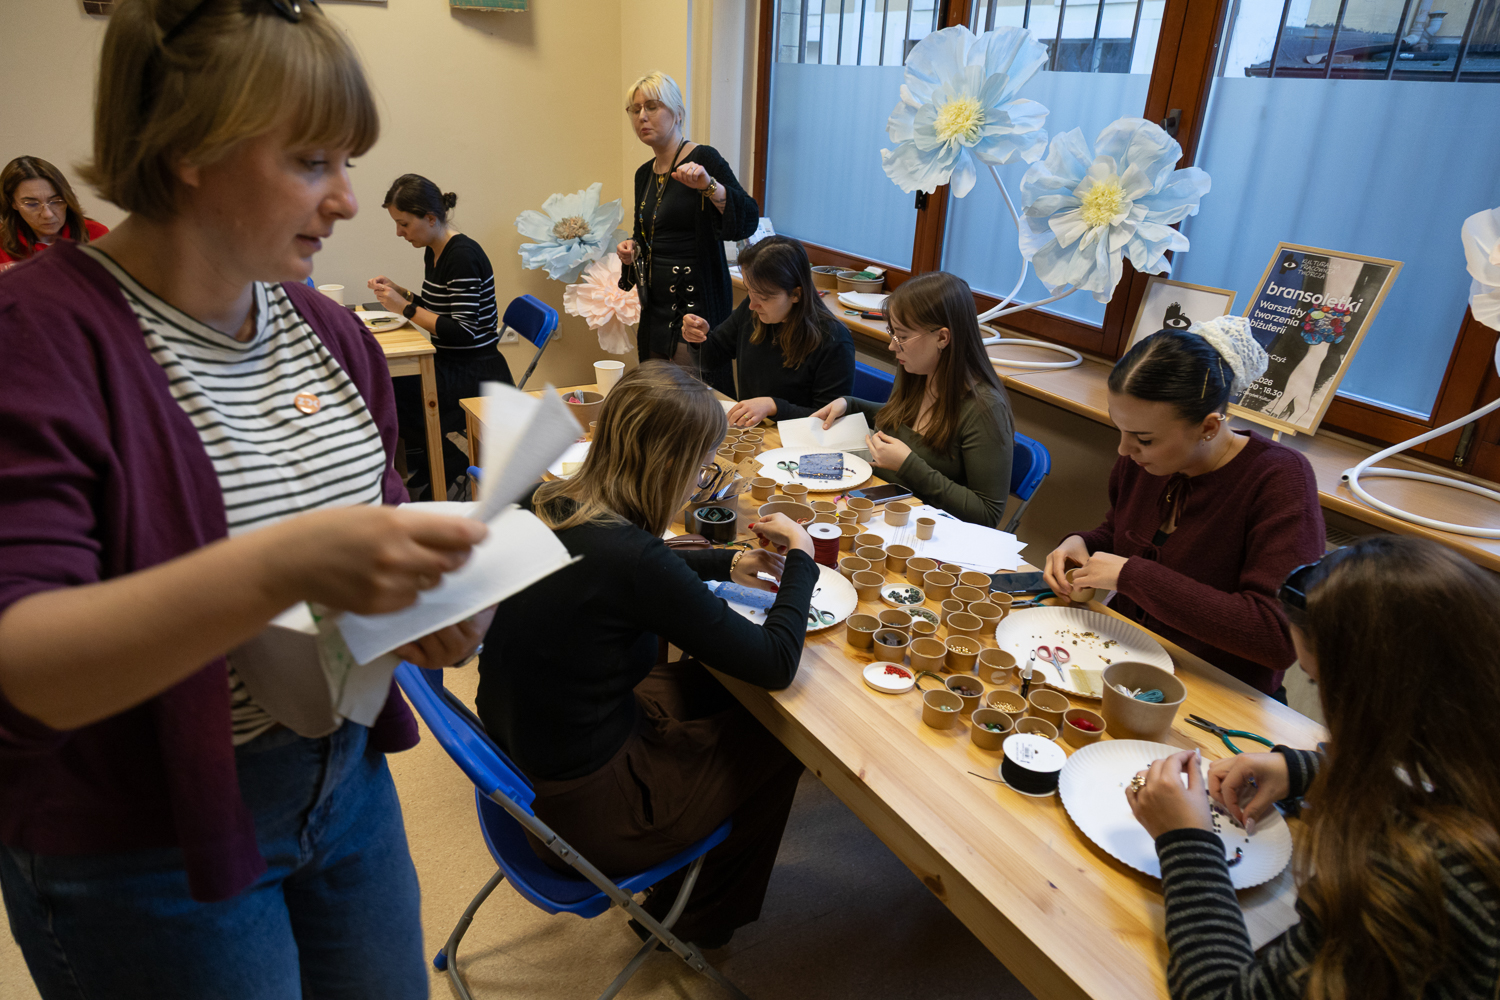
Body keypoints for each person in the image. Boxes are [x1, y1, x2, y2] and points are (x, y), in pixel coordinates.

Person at [0, 2, 493, 997]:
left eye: (347, 162)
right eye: (312, 162)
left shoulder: (328, 332)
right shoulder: (38, 338)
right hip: (143, 839)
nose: (346, 201)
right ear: (187, 146)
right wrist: (283, 565)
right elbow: (28, 669)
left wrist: (430, 609)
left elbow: (381, 520)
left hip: (343, 782)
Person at [475, 361, 817, 949]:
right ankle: (692, 920)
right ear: (670, 466)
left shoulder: (549, 498)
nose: (698, 481)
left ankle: (691, 882)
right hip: (585, 813)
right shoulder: (632, 560)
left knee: (707, 684)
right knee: (784, 737)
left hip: (526, 764)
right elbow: (775, 663)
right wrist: (804, 557)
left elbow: (619, 567)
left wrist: (725, 560)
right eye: (700, 467)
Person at [1126, 536, 1500, 1000]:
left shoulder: (1418, 882)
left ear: (1380, 699)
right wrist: (1305, 770)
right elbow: (1421, 786)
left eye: (1318, 682)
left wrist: (1186, 842)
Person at [1042, 319, 1325, 697]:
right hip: (1128, 658)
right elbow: (1121, 532)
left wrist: (1133, 577)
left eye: (1144, 439)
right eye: (1120, 429)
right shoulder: (1144, 461)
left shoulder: (1279, 479)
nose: (1124, 450)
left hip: (1220, 689)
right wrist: (1084, 543)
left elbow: (1276, 636)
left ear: (1209, 427)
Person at [810, 271, 1014, 527]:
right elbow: (903, 421)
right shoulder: (916, 372)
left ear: (942, 338)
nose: (892, 346)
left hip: (929, 532)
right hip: (880, 510)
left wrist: (908, 465)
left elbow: (987, 514)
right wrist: (850, 404)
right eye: (892, 333)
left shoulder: (985, 409)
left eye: (903, 337)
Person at [368, 173, 512, 499]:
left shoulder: (462, 256)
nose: (399, 232)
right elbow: (439, 310)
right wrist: (401, 292)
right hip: (452, 361)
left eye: (404, 224)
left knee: (390, 393)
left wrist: (405, 308)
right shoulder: (433, 249)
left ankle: (448, 461)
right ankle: (435, 461)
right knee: (387, 385)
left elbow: (463, 331)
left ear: (431, 218)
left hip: (475, 370)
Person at [615, 71, 759, 397]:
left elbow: (748, 219)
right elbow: (645, 234)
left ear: (678, 113)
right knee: (657, 398)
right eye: (635, 109)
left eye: (652, 106)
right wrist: (631, 248)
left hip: (696, 305)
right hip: (655, 308)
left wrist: (709, 185)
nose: (641, 117)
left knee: (695, 403)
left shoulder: (703, 158)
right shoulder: (644, 174)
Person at [681, 234, 854, 426]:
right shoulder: (752, 312)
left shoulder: (834, 339)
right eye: (749, 290)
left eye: (764, 297)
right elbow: (708, 361)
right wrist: (698, 339)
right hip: (755, 431)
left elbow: (828, 420)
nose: (752, 305)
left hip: (797, 439)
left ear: (796, 294)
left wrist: (774, 407)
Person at [0, 156, 109, 270]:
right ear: (12, 203)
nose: (48, 214)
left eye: (56, 201)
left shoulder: (96, 235)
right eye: (32, 204)